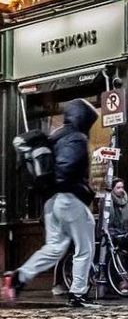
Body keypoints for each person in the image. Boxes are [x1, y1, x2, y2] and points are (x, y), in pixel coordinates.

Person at [3, 99, 100, 308]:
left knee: (54, 248)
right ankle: (78, 294)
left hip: (50, 201)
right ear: (82, 118)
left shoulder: (54, 137)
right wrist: (85, 190)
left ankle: (19, 277)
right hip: (69, 198)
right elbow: (66, 168)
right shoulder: (76, 137)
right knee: (85, 247)